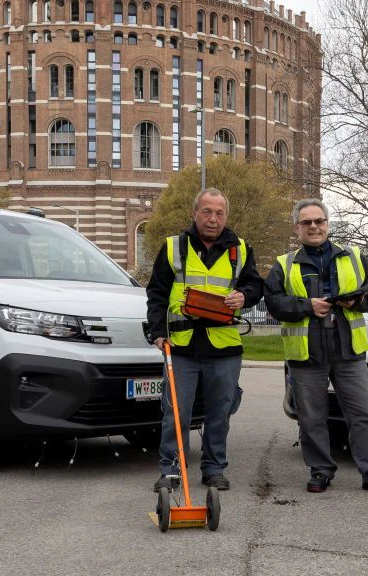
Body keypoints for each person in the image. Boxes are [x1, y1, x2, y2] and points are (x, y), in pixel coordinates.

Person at [264, 198, 368, 496]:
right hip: (307, 354)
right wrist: (307, 306)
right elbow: (273, 303)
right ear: (297, 228)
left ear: (327, 224)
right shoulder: (284, 264)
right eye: (306, 222)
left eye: (319, 221)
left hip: (348, 351)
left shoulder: (354, 256)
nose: (314, 226)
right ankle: (321, 470)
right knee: (311, 418)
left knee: (365, 415)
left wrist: (356, 301)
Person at [145, 187, 263, 491]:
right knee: (176, 413)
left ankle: (213, 468)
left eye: (219, 213)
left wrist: (244, 295)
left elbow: (255, 286)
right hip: (181, 346)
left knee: (219, 414)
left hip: (224, 348)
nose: (213, 219)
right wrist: (157, 332)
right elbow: (157, 293)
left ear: (226, 216)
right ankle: (171, 469)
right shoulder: (173, 247)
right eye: (207, 211)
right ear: (195, 213)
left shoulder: (241, 249)